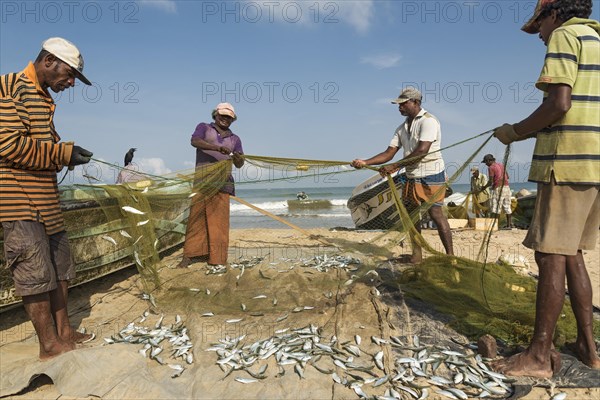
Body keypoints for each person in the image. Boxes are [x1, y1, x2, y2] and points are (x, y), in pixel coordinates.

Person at [491, 0, 600, 378]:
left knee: (550, 255)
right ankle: (588, 346)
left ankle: (539, 355)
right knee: (572, 254)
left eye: (539, 24)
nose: (539, 34)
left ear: (555, 13)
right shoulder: (597, 41)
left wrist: (515, 132)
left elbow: (559, 104)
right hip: (595, 165)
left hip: (567, 162)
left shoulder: (564, 37)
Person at [0, 38, 94, 359]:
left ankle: (65, 332)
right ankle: (49, 344)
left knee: (61, 267)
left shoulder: (44, 98)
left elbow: (42, 147)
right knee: (34, 270)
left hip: (47, 200)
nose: (70, 83)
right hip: (18, 199)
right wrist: (64, 153)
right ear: (49, 61)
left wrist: (63, 150)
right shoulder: (9, 87)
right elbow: (9, 145)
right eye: (69, 75)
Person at [351, 87, 453, 263]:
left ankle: (451, 257)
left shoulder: (428, 121)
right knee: (411, 216)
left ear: (415, 102)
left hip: (432, 173)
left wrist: (395, 166)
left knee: (436, 214)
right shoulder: (402, 128)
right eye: (398, 105)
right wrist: (365, 162)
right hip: (411, 174)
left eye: (403, 104)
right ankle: (417, 255)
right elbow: (388, 153)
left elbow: (422, 151)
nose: (399, 108)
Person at [177, 103, 244, 269]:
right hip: (202, 181)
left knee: (218, 222)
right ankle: (191, 255)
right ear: (215, 115)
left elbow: (240, 163)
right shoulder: (204, 127)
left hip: (223, 184)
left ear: (232, 119)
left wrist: (237, 158)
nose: (225, 119)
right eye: (222, 115)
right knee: (196, 219)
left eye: (229, 117)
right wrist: (216, 147)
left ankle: (217, 259)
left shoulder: (235, 139)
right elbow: (194, 141)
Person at [481, 154, 513, 228]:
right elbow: (507, 176)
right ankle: (509, 225)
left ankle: (496, 226)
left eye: (486, 162)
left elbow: (490, 181)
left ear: (489, 161)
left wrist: (484, 187)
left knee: (495, 207)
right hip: (507, 187)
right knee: (507, 206)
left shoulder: (491, 168)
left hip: (498, 188)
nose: (486, 164)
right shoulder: (501, 165)